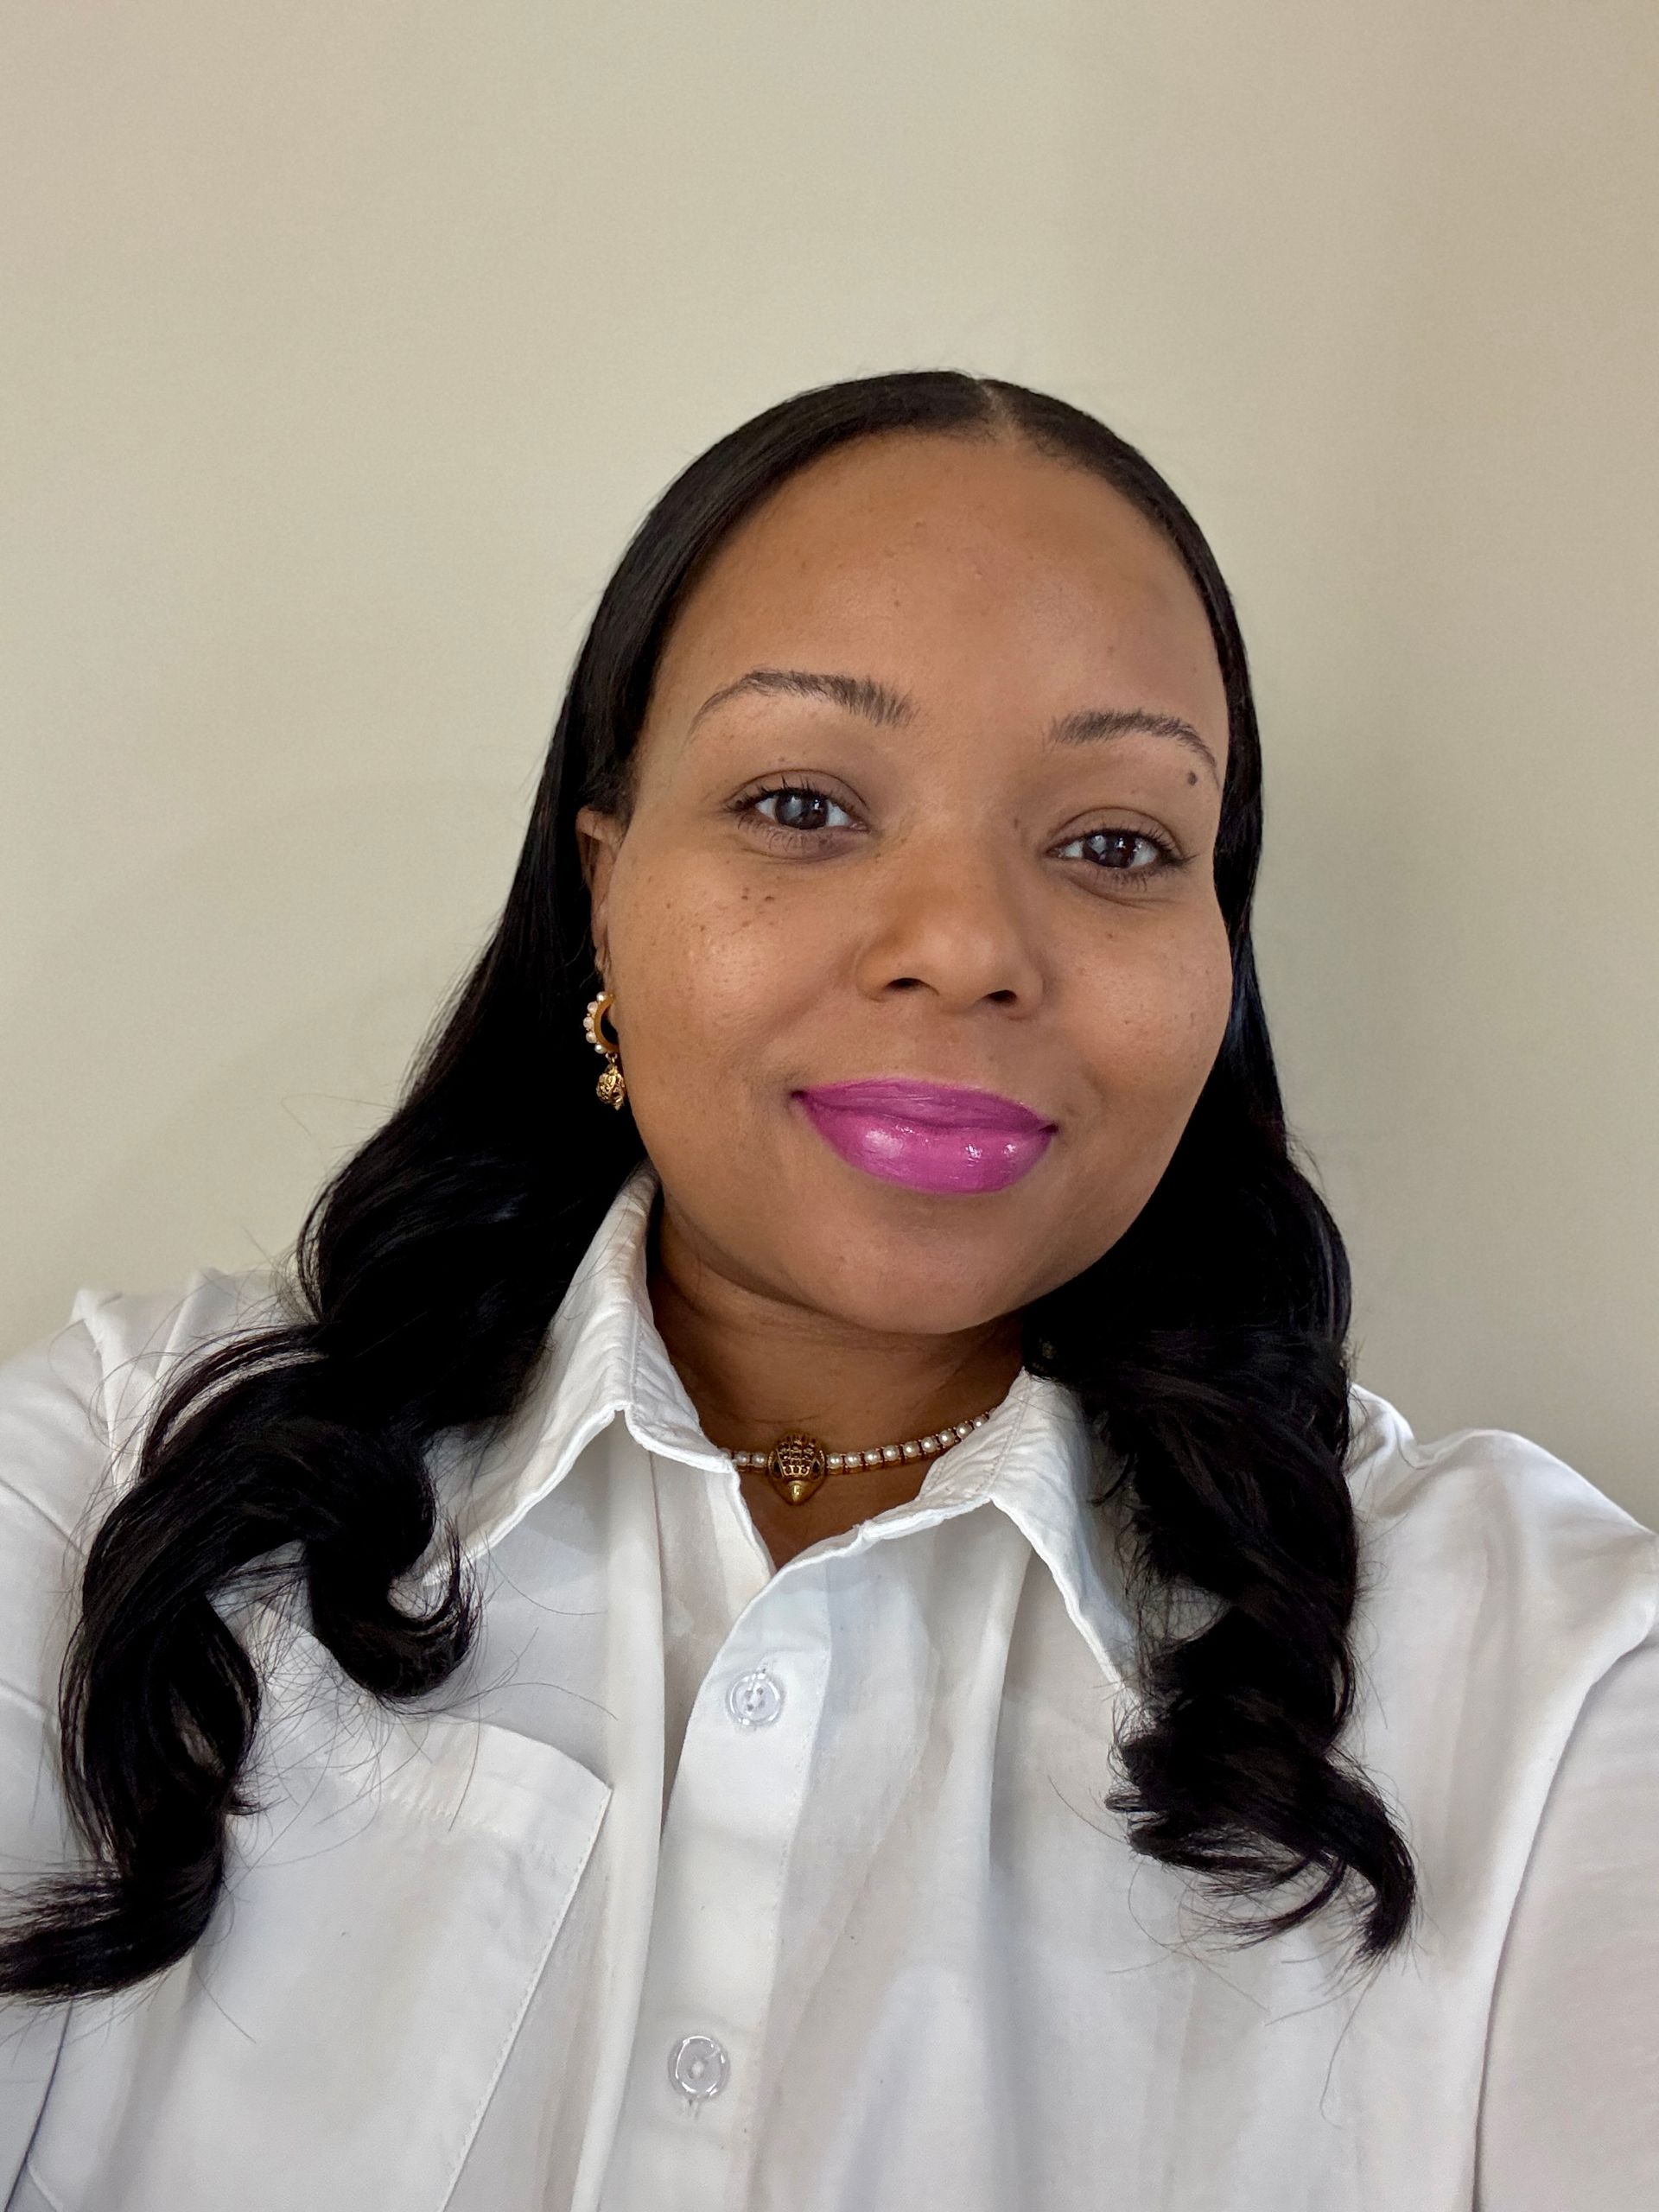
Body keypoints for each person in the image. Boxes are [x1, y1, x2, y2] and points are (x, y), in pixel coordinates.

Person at [0, 371, 1654, 2212]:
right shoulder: (112, 1481)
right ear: (605, 899)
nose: (960, 946)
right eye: (802, 800)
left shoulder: (1550, 1684)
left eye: (1117, 842)